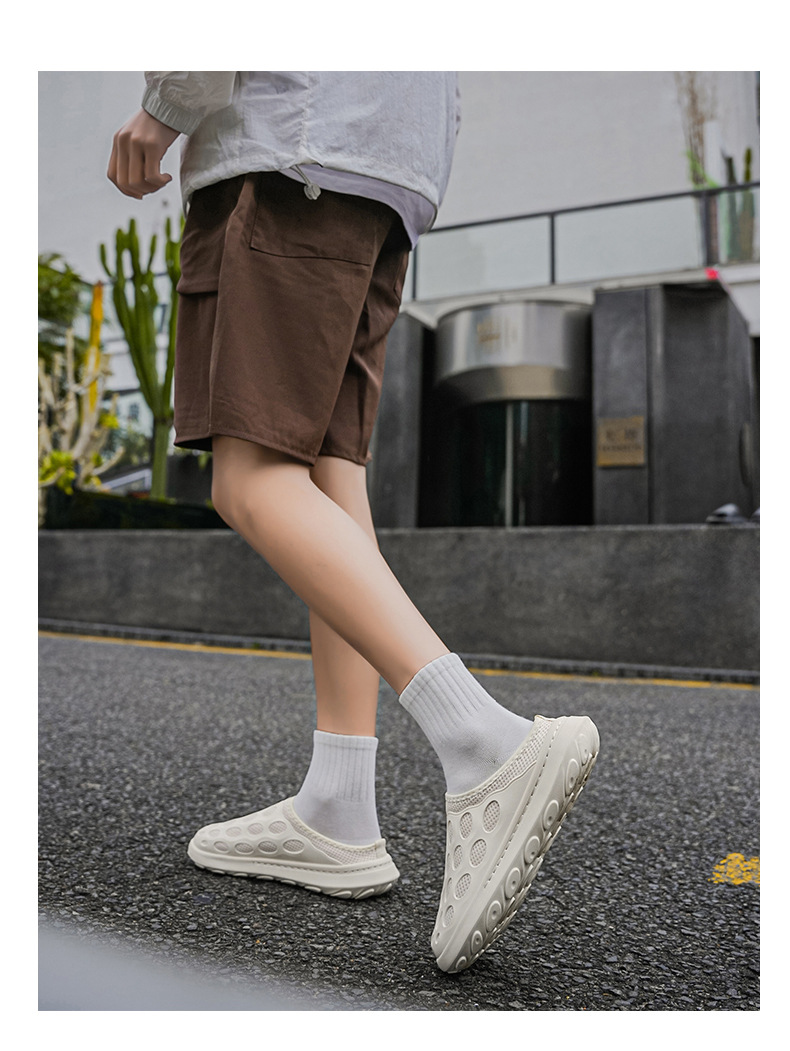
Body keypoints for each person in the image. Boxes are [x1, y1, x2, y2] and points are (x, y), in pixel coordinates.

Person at [107, 71, 599, 974]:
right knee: (329, 472)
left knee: (250, 479)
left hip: (286, 149)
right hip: (385, 169)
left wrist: (165, 105)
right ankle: (339, 808)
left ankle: (483, 742)